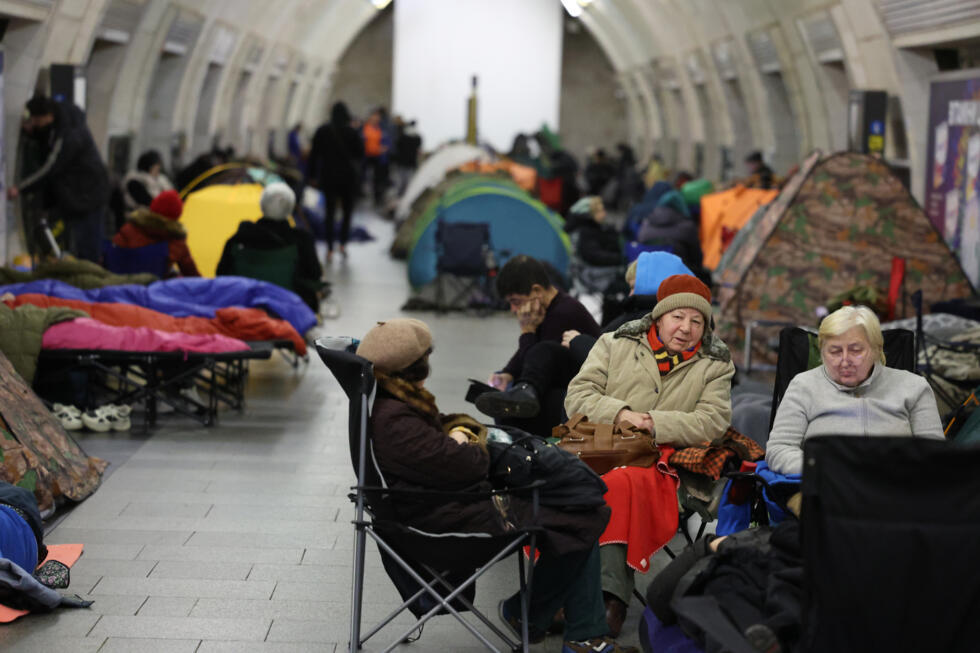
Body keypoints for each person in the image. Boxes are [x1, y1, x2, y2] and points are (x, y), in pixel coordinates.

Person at [357, 318, 636, 653]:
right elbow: (470, 465)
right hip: (445, 517)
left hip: (442, 504)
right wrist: (466, 438)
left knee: (582, 506)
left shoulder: (392, 404)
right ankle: (549, 622)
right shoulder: (396, 421)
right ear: (417, 369)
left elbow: (446, 453)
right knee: (584, 514)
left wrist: (460, 433)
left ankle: (553, 623)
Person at [564, 274, 736, 636]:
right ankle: (571, 595)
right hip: (600, 448)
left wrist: (654, 423)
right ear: (658, 318)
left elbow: (713, 422)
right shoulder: (614, 343)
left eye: (697, 320)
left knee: (622, 481)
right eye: (678, 317)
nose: (686, 328)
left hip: (668, 466)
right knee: (570, 484)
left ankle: (607, 599)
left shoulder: (715, 363)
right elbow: (577, 396)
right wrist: (622, 414)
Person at [766, 305, 944, 475]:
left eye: (856, 350)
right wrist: (828, 467)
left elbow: (935, 454)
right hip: (827, 489)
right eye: (834, 351)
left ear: (876, 349)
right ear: (821, 353)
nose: (845, 361)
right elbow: (778, 450)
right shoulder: (803, 386)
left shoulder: (914, 387)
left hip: (895, 490)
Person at [479, 256, 600, 432]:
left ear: (536, 291)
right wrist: (508, 373)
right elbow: (531, 362)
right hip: (565, 384)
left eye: (515, 302)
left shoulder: (564, 314)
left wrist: (527, 330)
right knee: (507, 399)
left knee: (511, 412)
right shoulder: (550, 308)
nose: (513, 310)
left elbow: (538, 357)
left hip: (585, 395)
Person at [7, 94, 110, 262]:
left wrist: (20, 188)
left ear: (47, 116)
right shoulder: (62, 125)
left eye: (35, 120)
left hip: (86, 196)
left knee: (87, 246)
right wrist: (35, 134)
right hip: (81, 195)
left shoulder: (69, 136)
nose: (34, 124)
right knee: (81, 244)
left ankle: (90, 281)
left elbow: (51, 166)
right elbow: (50, 144)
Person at [216, 182, 323, 311]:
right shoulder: (302, 240)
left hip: (244, 305)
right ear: (290, 207)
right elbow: (314, 274)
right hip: (288, 308)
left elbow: (221, 274)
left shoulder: (239, 238)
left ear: (262, 205)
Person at [308, 101, 363, 262]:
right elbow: (360, 154)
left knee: (329, 212)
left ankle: (330, 248)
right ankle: (343, 244)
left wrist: (312, 176)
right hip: (348, 177)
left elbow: (314, 156)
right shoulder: (352, 132)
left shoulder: (322, 131)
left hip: (328, 176)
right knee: (347, 212)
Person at [112, 189, 200, 277]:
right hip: (155, 287)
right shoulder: (176, 241)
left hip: (122, 283)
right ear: (177, 215)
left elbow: (112, 258)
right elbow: (192, 273)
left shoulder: (129, 229)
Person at [564, 197, 623, 268]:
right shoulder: (586, 232)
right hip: (591, 273)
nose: (604, 214)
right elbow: (594, 256)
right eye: (599, 211)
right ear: (590, 214)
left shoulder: (598, 227)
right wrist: (620, 258)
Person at [361, 109, 389, 206]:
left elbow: (386, 143)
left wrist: (383, 148)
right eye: (374, 117)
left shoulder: (381, 130)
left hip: (378, 157)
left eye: (377, 117)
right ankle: (362, 193)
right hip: (366, 157)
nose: (375, 119)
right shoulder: (364, 128)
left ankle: (377, 197)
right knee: (364, 176)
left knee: (377, 179)